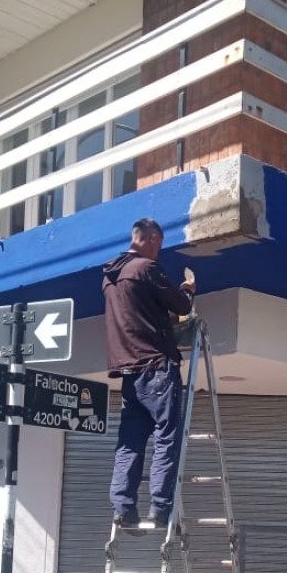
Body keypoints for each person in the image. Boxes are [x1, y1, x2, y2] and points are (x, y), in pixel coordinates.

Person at [103, 218, 196, 528]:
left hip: (129, 372)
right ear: (152, 238)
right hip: (156, 367)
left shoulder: (111, 277)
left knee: (130, 441)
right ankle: (160, 508)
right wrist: (188, 291)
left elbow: (140, 318)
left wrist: (164, 319)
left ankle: (123, 508)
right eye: (159, 244)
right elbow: (181, 305)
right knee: (167, 437)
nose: (159, 251)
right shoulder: (146, 268)